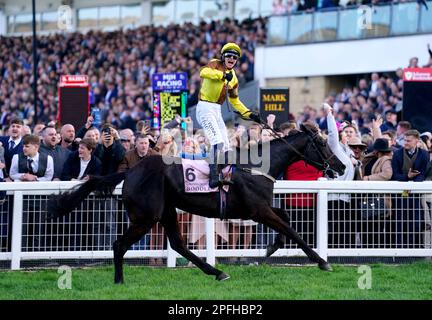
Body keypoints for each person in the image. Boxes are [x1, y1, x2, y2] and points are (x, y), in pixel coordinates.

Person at [196, 42, 261, 188]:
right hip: (205, 107)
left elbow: (235, 100)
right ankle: (213, 177)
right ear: (223, 57)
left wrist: (249, 114)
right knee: (217, 141)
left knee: (226, 146)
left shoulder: (234, 79)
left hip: (217, 110)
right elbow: (202, 72)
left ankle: (223, 174)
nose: (232, 59)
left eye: (235, 57)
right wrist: (222, 75)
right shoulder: (215, 64)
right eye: (229, 56)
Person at [391, 130, 429, 248]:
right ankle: (400, 250)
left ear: (417, 141)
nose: (405, 143)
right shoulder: (397, 154)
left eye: (408, 140)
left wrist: (413, 185)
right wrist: (407, 177)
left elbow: (423, 173)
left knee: (416, 222)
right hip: (401, 193)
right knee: (400, 222)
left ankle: (415, 250)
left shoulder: (424, 154)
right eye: (404, 140)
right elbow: (394, 175)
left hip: (416, 193)